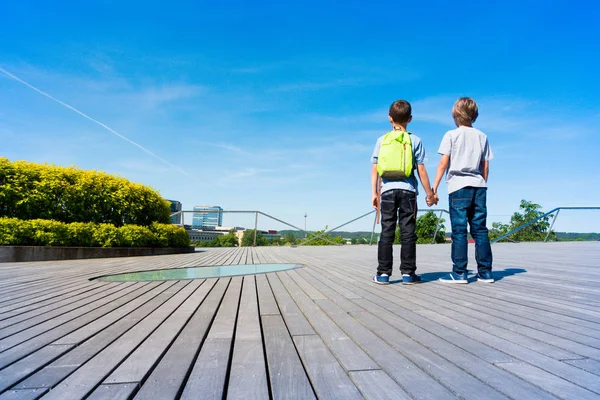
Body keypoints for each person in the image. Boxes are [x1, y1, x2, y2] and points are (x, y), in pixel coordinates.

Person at [371, 100, 437, 285]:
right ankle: (408, 273)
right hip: (408, 192)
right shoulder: (415, 140)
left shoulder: (381, 140)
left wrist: (374, 193)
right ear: (410, 119)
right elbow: (421, 170)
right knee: (408, 232)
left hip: (387, 191)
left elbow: (375, 169)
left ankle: (383, 274)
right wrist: (429, 194)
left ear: (389, 118)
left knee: (387, 231)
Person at [432, 97, 494, 283]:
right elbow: (485, 166)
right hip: (479, 186)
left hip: (458, 186)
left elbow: (443, 163)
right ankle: (485, 272)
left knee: (459, 231)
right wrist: (482, 183)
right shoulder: (482, 136)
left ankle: (459, 272)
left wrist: (434, 188)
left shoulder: (451, 135)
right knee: (480, 230)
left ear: (455, 114)